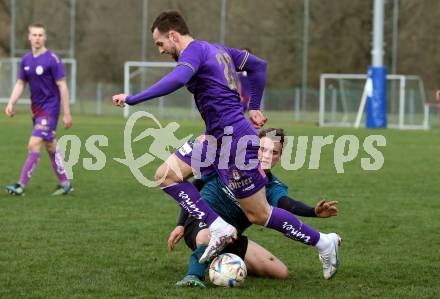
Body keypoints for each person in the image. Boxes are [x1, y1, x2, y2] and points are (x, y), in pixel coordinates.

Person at [112, 11, 340, 279]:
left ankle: (324, 242)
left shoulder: (193, 52)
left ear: (173, 35)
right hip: (215, 137)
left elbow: (178, 79)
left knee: (259, 213)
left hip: (233, 140)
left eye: (160, 43)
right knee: (166, 175)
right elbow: (258, 65)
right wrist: (254, 106)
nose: (161, 50)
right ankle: (218, 225)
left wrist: (133, 98)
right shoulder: (217, 50)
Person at [168, 128, 339, 288]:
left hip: (231, 238)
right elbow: (194, 187)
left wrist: (313, 212)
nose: (266, 156)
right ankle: (193, 276)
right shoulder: (229, 161)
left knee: (280, 272)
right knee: (207, 236)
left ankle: (218, 259)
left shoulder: (272, 186)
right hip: (201, 224)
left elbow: (286, 204)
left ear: (279, 157)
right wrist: (181, 223)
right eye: (263, 149)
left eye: (274, 152)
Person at [4, 23, 73, 196]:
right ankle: (65, 184)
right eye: (34, 35)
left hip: (50, 109)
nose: (37, 38)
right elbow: (21, 83)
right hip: (36, 110)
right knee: (50, 146)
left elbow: (62, 86)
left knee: (33, 143)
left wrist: (66, 113)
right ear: (29, 37)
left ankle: (20, 186)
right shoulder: (26, 60)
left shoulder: (52, 59)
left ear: (45, 37)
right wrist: (11, 102)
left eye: (40, 35)